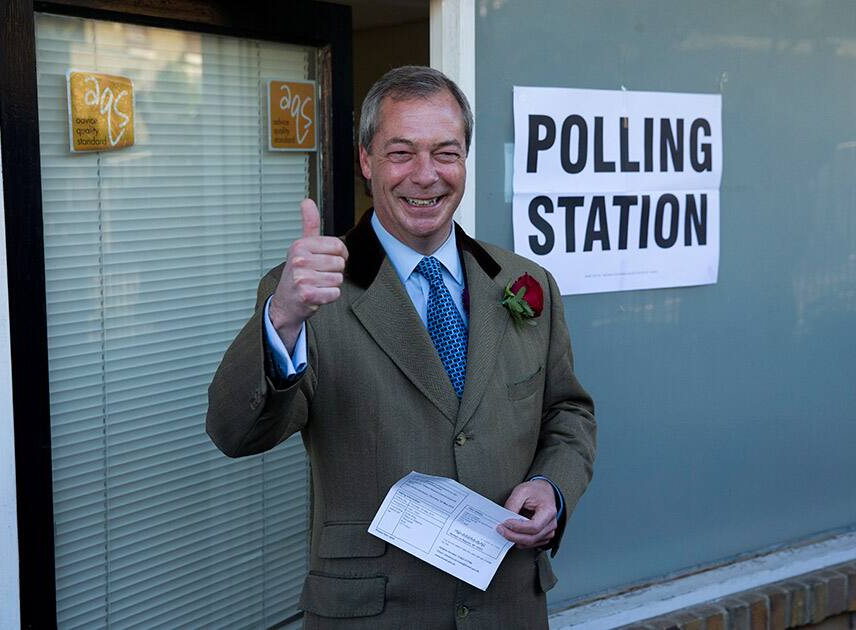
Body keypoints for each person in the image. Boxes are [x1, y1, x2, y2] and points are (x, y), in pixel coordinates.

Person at [206, 65, 596, 629]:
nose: (425, 176)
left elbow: (569, 413)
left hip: (509, 606)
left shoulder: (523, 281)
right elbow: (233, 433)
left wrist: (552, 486)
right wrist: (283, 316)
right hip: (374, 615)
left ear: (465, 160)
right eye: (401, 153)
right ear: (366, 161)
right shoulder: (310, 290)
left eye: (446, 153)